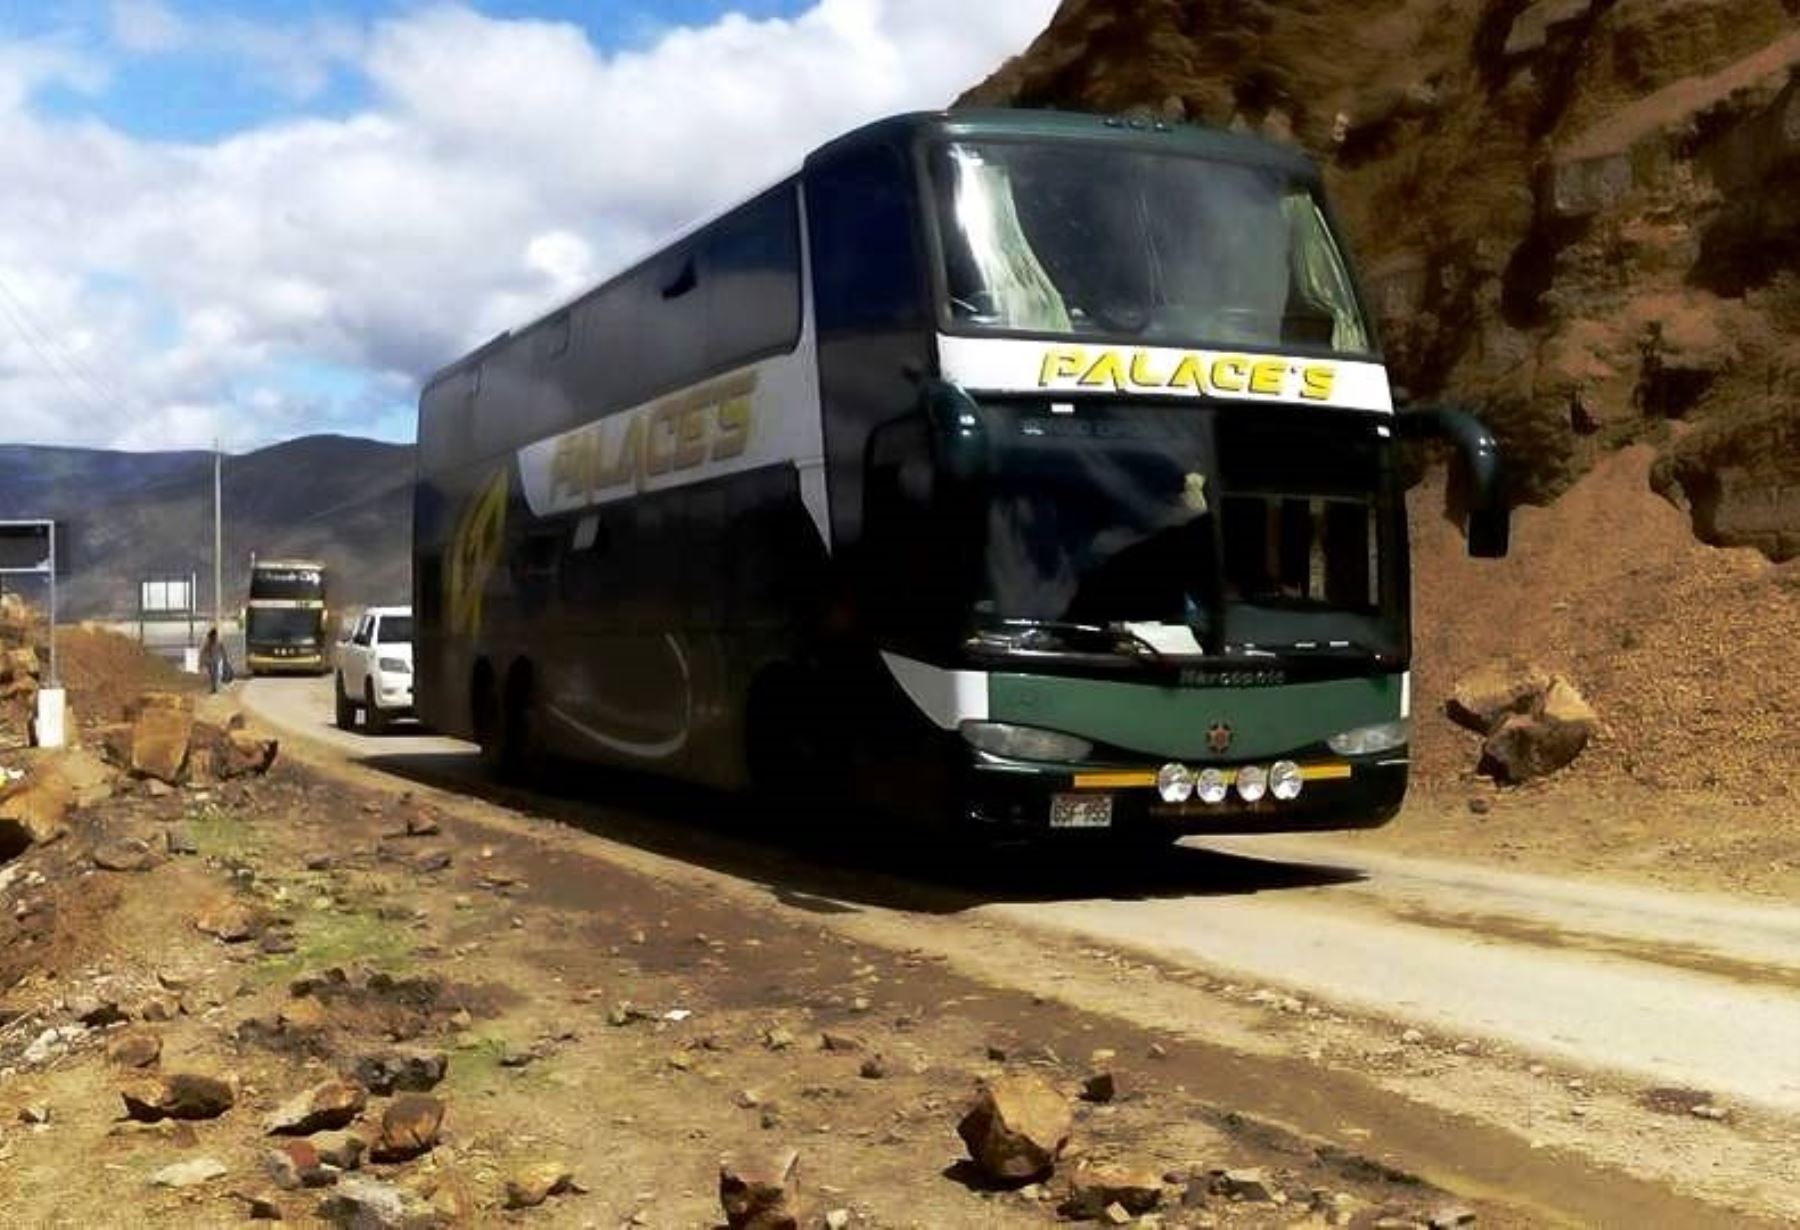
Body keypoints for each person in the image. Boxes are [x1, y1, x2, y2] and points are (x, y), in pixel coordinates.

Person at [199, 627, 232, 693]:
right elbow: (203, 653)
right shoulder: (208, 643)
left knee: (215, 674)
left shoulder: (219, 642)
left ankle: (214, 688)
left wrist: (226, 659)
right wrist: (201, 662)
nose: (213, 638)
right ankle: (214, 687)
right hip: (210, 661)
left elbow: (224, 651)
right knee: (212, 674)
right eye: (212, 636)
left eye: (214, 636)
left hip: (216, 660)